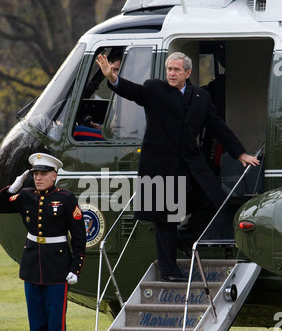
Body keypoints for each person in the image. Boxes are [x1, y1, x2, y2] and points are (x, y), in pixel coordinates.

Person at [96, 52, 259, 282]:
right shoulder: (154, 89)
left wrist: (240, 152)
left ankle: (183, 238)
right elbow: (135, 92)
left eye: (177, 70)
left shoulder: (201, 97)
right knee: (165, 219)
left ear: (188, 73)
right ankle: (169, 271)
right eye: (169, 69)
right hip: (160, 166)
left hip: (191, 165)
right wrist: (113, 80)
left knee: (214, 201)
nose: (172, 73)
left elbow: (217, 126)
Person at [0, 153, 86, 331]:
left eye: (43, 174)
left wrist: (76, 268)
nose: (38, 178)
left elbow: (79, 238)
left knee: (55, 325)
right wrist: (14, 187)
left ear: (54, 176)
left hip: (57, 267)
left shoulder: (66, 199)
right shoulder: (26, 195)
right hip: (32, 265)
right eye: (35, 174)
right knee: (37, 324)